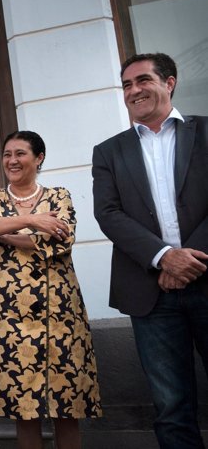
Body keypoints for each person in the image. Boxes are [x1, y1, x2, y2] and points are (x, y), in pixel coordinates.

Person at [92, 52, 208, 448]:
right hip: (150, 292)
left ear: (169, 82)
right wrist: (164, 257)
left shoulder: (206, 132)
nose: (134, 90)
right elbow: (108, 214)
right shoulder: (109, 151)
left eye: (142, 80)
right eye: (126, 84)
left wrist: (187, 259)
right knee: (170, 405)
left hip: (207, 279)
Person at [0, 131, 102, 449]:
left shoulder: (59, 196)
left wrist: (0, 231)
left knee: (67, 406)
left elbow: (57, 241)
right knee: (22, 408)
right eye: (7, 154)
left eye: (21, 153)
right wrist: (32, 220)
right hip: (7, 316)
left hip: (59, 315)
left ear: (38, 158)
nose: (12, 160)